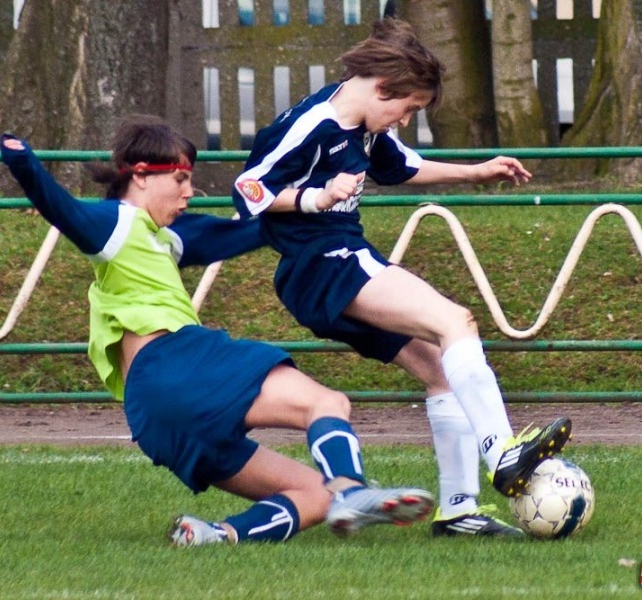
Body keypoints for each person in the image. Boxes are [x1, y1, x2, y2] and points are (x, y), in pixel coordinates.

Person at [0, 113, 434, 547]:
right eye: (181, 179)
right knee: (326, 402)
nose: (190, 192)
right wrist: (24, 164)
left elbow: (250, 228)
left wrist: (313, 199)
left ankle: (214, 535)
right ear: (142, 176)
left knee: (315, 494)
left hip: (155, 417)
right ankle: (354, 492)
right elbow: (64, 210)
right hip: (176, 363)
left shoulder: (163, 236)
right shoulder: (116, 223)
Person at [232, 18, 572, 538]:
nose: (406, 120)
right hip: (324, 261)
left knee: (439, 369)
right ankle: (501, 452)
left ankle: (458, 511)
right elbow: (248, 189)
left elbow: (404, 167)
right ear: (381, 87)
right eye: (407, 108)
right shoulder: (313, 125)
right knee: (454, 320)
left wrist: (477, 172)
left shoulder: (367, 125)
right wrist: (314, 198)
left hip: (329, 266)